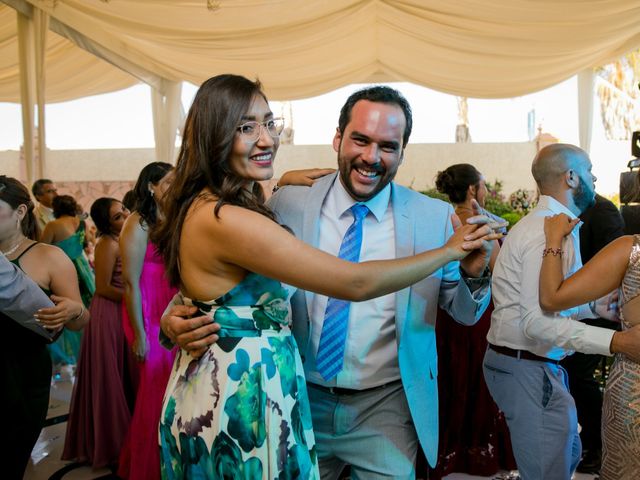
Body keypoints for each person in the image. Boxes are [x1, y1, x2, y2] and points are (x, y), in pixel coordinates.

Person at [157, 78, 498, 479]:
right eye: (360, 140)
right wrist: (173, 315)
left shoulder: (432, 217)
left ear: (403, 152)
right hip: (293, 398)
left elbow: (462, 313)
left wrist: (474, 275)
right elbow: (341, 281)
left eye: (388, 146)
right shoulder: (287, 203)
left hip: (385, 408)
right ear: (337, 139)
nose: (372, 157)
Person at [483, 143, 640, 480]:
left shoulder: (555, 226)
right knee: (548, 471)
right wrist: (616, 342)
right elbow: (538, 322)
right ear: (570, 177)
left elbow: (549, 302)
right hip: (525, 364)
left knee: (566, 454)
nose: (595, 177)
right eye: (589, 169)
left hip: (535, 365)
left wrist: (593, 306)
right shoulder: (546, 233)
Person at [423, 164, 514, 478]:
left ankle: (445, 448)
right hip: (475, 313)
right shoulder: (481, 223)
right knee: (477, 379)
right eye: (484, 185)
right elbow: (499, 272)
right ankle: (474, 449)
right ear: (474, 190)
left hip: (441, 313)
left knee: (448, 377)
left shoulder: (438, 222)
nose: (486, 192)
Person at [0, 175, 89, 478]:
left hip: (22, 376)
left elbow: (80, 321)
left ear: (21, 212)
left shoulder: (50, 257)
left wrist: (73, 309)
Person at [540, 212, 640, 479]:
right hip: (633, 401)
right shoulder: (631, 251)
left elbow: (551, 298)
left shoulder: (630, 250)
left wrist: (552, 239)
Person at [62, 198, 139, 469]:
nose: (125, 216)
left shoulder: (128, 238)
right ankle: (110, 442)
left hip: (125, 309)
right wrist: (137, 300)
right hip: (110, 312)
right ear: (107, 224)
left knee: (127, 373)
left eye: (125, 211)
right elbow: (103, 288)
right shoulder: (109, 244)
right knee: (111, 376)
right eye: (118, 216)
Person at [117, 161, 177, 480]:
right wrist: (139, 334)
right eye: (168, 182)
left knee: (175, 387)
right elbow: (129, 282)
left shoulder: (175, 218)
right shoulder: (137, 223)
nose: (174, 187)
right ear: (152, 186)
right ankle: (150, 466)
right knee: (156, 389)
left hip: (173, 306)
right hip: (149, 311)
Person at [559, 193, 624, 474]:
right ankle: (591, 441)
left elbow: (619, 260)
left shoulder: (603, 210)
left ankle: (601, 445)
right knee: (573, 372)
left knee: (578, 374)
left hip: (603, 306)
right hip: (577, 304)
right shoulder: (567, 212)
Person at [41, 194, 96, 366]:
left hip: (62, 267)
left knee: (64, 305)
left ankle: (70, 353)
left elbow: (42, 248)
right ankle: (89, 345)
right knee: (85, 304)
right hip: (82, 267)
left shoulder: (53, 225)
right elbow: (87, 242)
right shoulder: (81, 223)